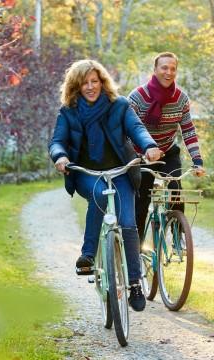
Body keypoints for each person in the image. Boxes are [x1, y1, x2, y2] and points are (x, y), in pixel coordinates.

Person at [49, 59, 162, 311]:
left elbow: (137, 129)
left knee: (129, 224)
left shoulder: (119, 105)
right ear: (76, 87)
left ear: (102, 82)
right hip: (87, 173)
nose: (90, 87)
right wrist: (61, 157)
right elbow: (57, 140)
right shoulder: (68, 111)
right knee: (99, 194)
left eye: (94, 81)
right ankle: (88, 255)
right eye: (84, 83)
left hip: (120, 171)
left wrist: (150, 146)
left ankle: (134, 284)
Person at [128, 52, 205, 242]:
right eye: (164, 67)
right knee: (141, 200)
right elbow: (126, 129)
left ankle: (178, 232)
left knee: (175, 187)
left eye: (173, 68)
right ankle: (136, 248)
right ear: (154, 70)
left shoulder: (181, 99)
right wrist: (141, 153)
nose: (168, 72)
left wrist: (197, 161)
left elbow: (188, 131)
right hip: (141, 155)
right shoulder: (137, 97)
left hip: (168, 151)